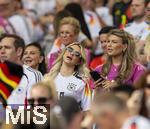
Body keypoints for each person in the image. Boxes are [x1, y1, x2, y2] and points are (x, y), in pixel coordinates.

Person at [44, 42, 91, 111]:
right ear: (64, 53)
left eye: (77, 54)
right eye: (69, 49)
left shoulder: (82, 82)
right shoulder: (49, 77)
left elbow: (88, 110)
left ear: (79, 62)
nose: (71, 53)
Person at [0, 34, 43, 106]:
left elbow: (37, 109)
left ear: (19, 51)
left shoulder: (32, 75)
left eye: (7, 48)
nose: (2, 51)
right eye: (0, 48)